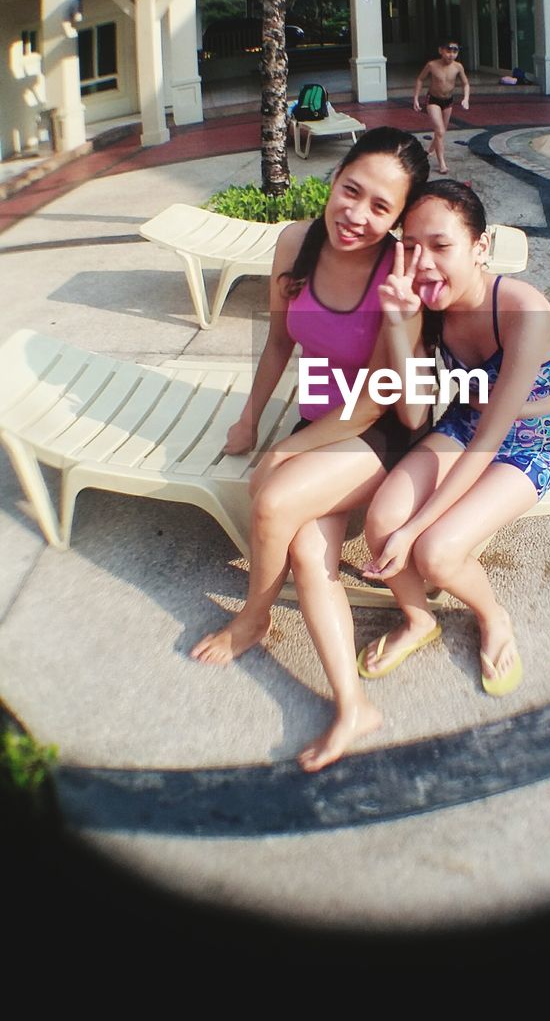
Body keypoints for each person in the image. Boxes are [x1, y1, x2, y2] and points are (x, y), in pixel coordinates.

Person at [190, 126, 431, 771]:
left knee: (270, 502)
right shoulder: (294, 242)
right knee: (305, 545)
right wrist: (251, 420)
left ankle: (254, 619)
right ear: (333, 177)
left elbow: (383, 400)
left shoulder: (396, 277)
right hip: (324, 418)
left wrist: (284, 452)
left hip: (380, 429)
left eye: (382, 207)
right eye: (351, 191)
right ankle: (353, 707)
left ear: (400, 219)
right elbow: (278, 343)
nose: (357, 215)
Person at [357, 179, 550, 698]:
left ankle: (492, 617)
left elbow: (493, 438)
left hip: (528, 442)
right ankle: (418, 619)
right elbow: (409, 411)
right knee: (381, 519)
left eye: (441, 245)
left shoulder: (523, 309)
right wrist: (397, 323)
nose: (423, 261)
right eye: (410, 246)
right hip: (462, 426)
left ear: (480, 247)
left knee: (435, 552)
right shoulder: (424, 307)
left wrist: (416, 530)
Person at [413, 40, 471, 175]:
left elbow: (465, 83)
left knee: (442, 131)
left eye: (455, 52)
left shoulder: (458, 67)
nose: (451, 55)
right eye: (448, 51)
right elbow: (420, 79)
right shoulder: (432, 65)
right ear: (441, 51)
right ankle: (442, 164)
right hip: (433, 100)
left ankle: (429, 150)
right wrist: (416, 98)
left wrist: (466, 98)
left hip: (448, 101)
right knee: (439, 131)